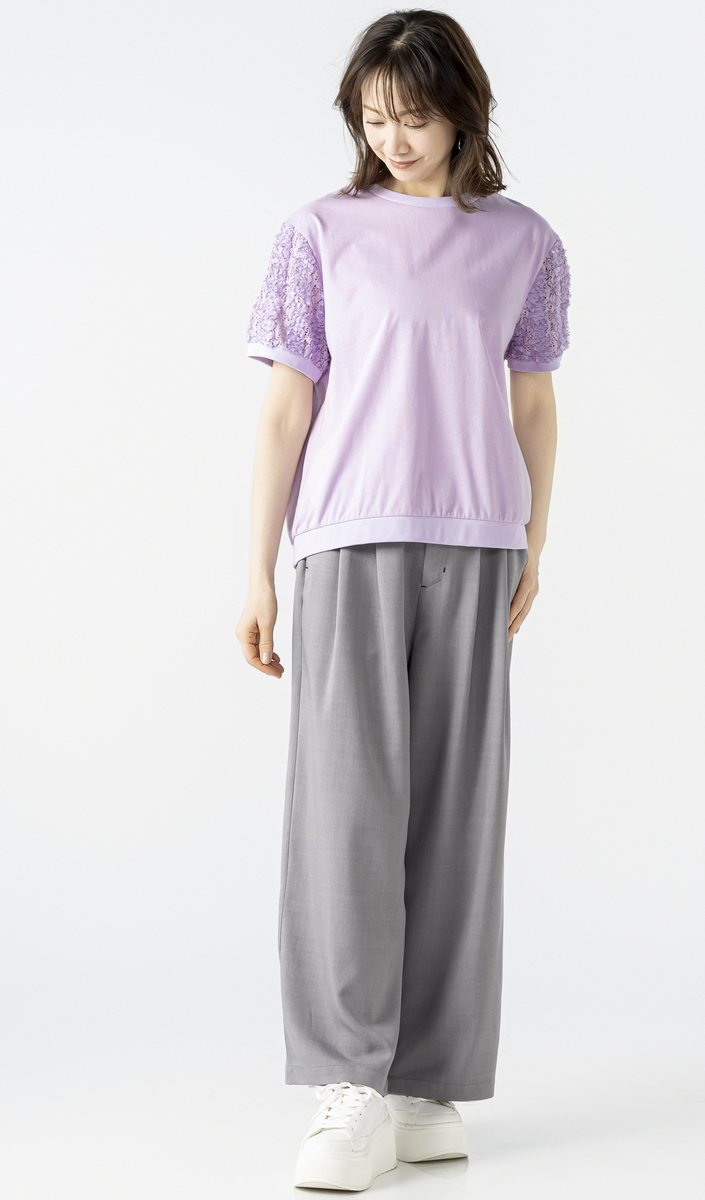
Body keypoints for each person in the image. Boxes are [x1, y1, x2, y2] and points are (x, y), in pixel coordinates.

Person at [236, 9, 571, 1191]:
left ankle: (427, 1086)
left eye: (414, 115)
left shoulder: (524, 242)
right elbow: (286, 407)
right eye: (374, 117)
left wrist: (535, 539)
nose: (394, 137)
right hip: (348, 540)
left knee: (457, 815)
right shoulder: (320, 232)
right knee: (347, 817)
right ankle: (349, 1081)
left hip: (477, 543)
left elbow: (534, 403)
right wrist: (257, 566)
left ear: (462, 111)